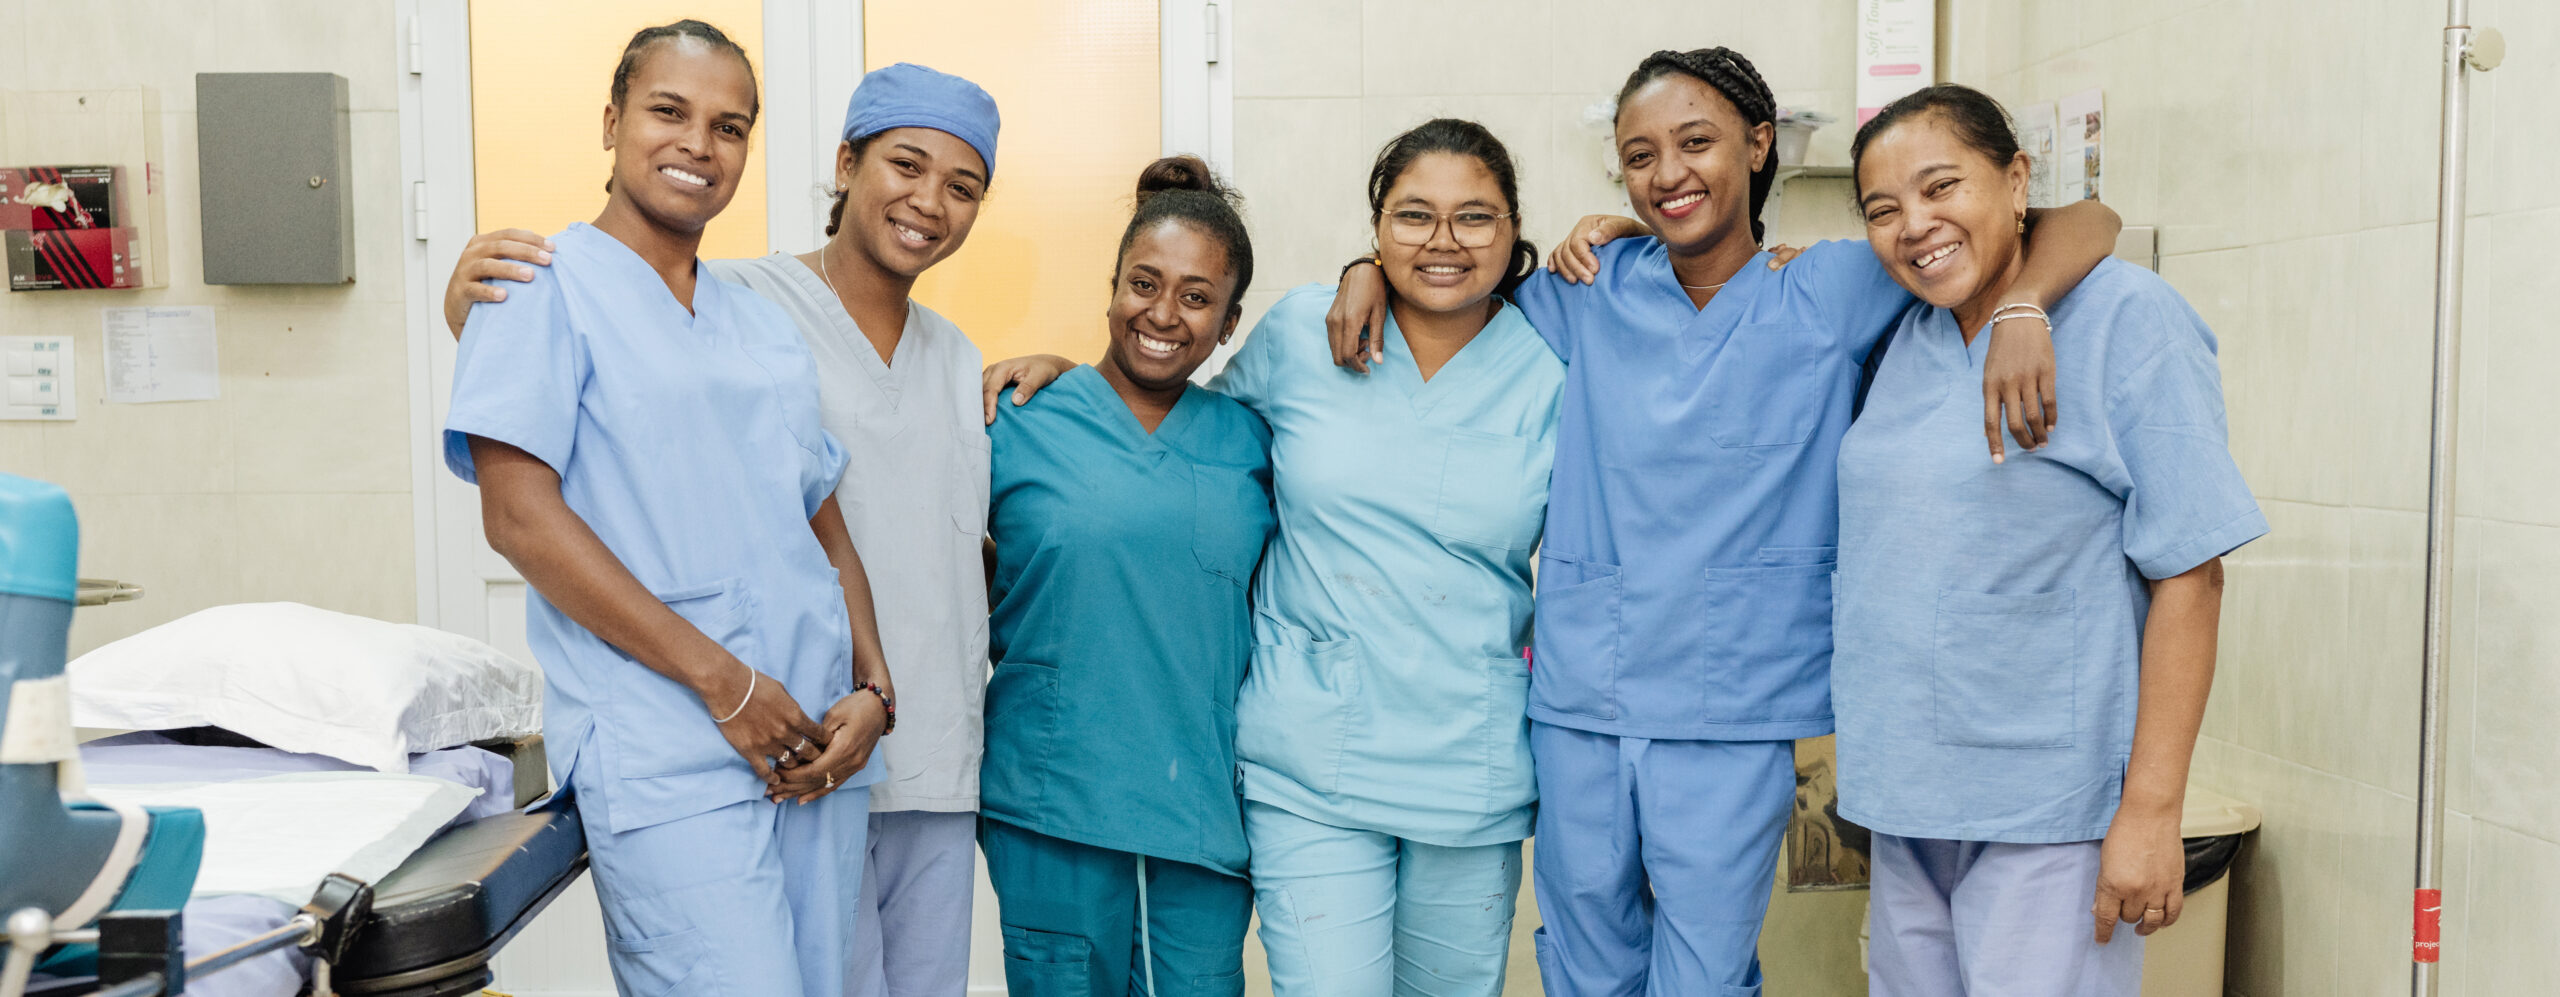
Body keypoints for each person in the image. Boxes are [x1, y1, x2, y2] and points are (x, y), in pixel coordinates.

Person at [1326, 48, 2124, 997]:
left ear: (1757, 144)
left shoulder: (1831, 288)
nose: (1668, 173)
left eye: (1695, 142)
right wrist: (1363, 269)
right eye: (1640, 155)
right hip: (1584, 697)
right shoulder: (1592, 287)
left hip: (1730, 707)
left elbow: (2087, 218)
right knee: (1583, 964)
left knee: (1702, 975)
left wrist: (2027, 302)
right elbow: (1453, 283)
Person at [443, 62, 1001, 997]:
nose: (699, 144)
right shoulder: (544, 283)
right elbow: (519, 516)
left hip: (812, 740)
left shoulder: (753, 322)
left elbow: (818, 512)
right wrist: (726, 681)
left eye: (730, 126)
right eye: (670, 112)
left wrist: (873, 683)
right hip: (673, 741)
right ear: (612, 117)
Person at [985, 119, 1562, 997]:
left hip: (1463, 765)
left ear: (1515, 229)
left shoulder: (1553, 359)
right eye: (1413, 216)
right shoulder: (1301, 337)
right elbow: (1157, 408)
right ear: (1375, 229)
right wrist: (1069, 378)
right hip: (1307, 766)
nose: (1443, 240)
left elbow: (1181, 419)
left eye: (1475, 217)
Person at [1832, 84, 2264, 996]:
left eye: (1943, 186)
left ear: (2017, 179)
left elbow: (2192, 573)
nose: (1915, 224)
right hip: (1908, 797)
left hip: (2048, 806)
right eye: (1883, 209)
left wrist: (2151, 809)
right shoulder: (1904, 334)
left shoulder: (2127, 319)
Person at [977, 156, 1272, 997]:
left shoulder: (1253, 444)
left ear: (1229, 321)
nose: (1163, 314)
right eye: (1145, 283)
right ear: (1111, 286)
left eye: (1196, 296)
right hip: (1053, 803)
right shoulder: (1014, 420)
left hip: (1204, 812)